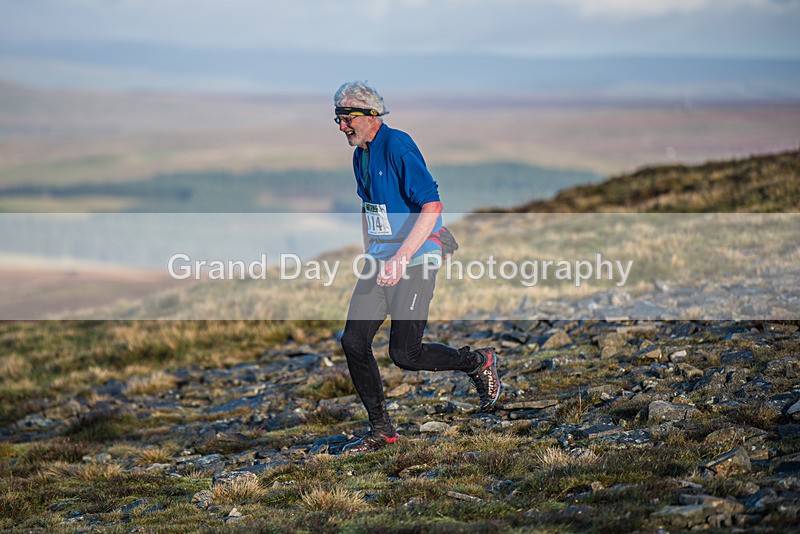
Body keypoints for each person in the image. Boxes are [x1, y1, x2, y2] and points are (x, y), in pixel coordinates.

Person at [333, 81, 501, 454]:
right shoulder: (360, 154)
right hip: (383, 258)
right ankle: (382, 431)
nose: (341, 126)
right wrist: (371, 254)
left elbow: (433, 207)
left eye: (346, 118)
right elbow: (369, 208)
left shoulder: (398, 146)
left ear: (370, 115)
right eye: (337, 119)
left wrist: (399, 260)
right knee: (353, 341)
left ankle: (477, 361)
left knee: (405, 354)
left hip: (415, 257)